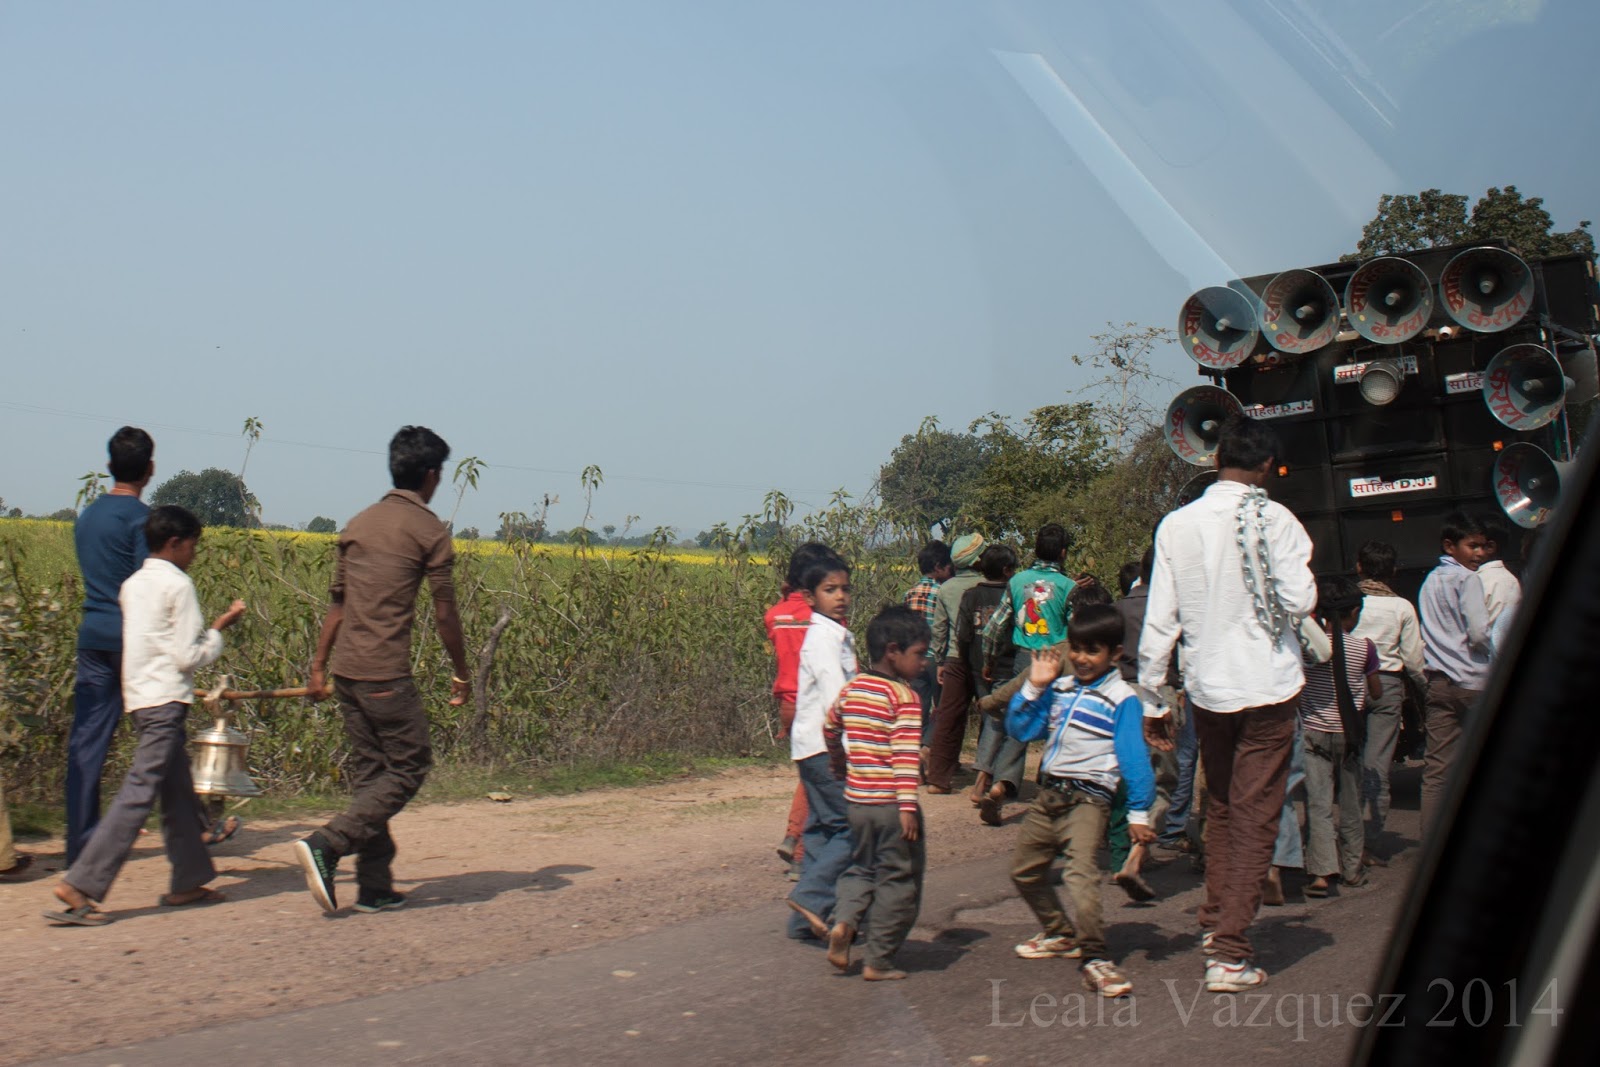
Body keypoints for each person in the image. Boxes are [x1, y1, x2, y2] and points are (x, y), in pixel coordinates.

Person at [1139, 416, 1316, 993]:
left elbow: (1161, 618)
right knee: (1255, 814)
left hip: (1208, 689)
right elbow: (1299, 599)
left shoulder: (1177, 525)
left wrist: (1152, 697)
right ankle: (1230, 952)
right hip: (1268, 686)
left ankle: (1217, 919)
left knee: (1220, 807)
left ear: (1216, 460)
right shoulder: (1279, 520)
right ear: (1266, 466)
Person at [295, 427, 472, 914]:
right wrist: (461, 671)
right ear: (431, 475)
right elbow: (445, 614)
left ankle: (374, 888)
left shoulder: (359, 523)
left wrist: (318, 668)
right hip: (385, 675)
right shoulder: (429, 531)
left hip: (348, 673)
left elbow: (337, 605)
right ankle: (328, 844)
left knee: (372, 776)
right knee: (410, 766)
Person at [45, 506, 247, 925]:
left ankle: (189, 880)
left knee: (177, 792)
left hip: (139, 698)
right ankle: (81, 883)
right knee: (139, 792)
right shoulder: (179, 585)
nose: (194, 554)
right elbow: (187, 655)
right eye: (192, 546)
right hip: (166, 701)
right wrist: (218, 631)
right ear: (175, 543)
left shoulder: (132, 585)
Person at [1005, 605, 1158, 998]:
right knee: (1024, 871)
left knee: (1080, 876)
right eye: (1076, 648)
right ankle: (1059, 932)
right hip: (1048, 796)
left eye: (1093, 650)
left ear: (1115, 653)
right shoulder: (1060, 688)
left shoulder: (1122, 698)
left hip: (1088, 800)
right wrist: (1035, 686)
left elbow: (1134, 758)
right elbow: (1020, 728)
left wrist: (1139, 812)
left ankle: (1095, 955)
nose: (1081, 658)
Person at [821, 605, 931, 980]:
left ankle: (844, 921)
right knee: (899, 880)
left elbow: (830, 727)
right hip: (891, 805)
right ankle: (878, 959)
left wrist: (839, 763)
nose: (924, 663)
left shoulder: (852, 689)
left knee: (861, 868)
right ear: (893, 651)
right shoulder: (905, 697)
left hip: (857, 802)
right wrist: (907, 806)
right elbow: (905, 756)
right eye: (919, 654)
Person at [784, 553, 857, 941]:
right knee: (852, 827)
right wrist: (852, 750)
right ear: (810, 597)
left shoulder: (834, 633)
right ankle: (811, 898)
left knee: (819, 830)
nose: (840, 596)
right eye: (830, 590)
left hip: (810, 747)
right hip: (826, 747)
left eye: (845, 589)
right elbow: (836, 700)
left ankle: (803, 922)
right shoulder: (825, 639)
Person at [1298, 577, 1379, 898]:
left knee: (1318, 804)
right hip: (1349, 735)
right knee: (1350, 803)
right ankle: (1352, 869)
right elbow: (1376, 691)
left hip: (1313, 732)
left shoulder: (1308, 650)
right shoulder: (1365, 648)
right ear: (1354, 612)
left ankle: (1321, 873)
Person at [766, 542, 840, 878]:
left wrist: (787, 596)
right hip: (816, 702)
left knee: (809, 772)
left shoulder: (775, 615)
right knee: (819, 775)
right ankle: (798, 846)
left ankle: (794, 836)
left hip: (788, 703)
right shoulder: (823, 617)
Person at [1350, 540, 1426, 861]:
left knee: (1349, 762)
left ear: (1359, 567)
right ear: (1393, 571)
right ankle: (1369, 840)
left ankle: (1346, 839)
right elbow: (1414, 660)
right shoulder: (1402, 607)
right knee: (1378, 762)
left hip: (1350, 682)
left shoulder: (1350, 601)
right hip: (1388, 684)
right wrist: (1424, 689)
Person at [1416, 512, 1491, 835]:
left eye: (1482, 546)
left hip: (1438, 683)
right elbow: (1479, 633)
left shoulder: (1430, 581)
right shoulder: (1468, 579)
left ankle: (1431, 839)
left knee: (1437, 769)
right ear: (1450, 546)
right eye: (1472, 546)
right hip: (1473, 682)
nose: (1479, 553)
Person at [958, 544, 1019, 824]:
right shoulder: (1013, 595)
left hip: (976, 664)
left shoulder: (971, 595)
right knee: (998, 722)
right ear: (1007, 570)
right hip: (1004, 666)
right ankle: (983, 777)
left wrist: (967, 662)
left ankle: (988, 775)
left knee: (991, 719)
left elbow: (963, 634)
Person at [923, 534, 986, 794]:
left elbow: (939, 629)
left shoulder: (946, 589)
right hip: (985, 660)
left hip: (954, 658)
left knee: (948, 717)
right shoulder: (989, 585)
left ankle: (938, 778)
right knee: (991, 716)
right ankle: (986, 776)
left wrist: (940, 660)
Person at [979, 523, 1076, 689]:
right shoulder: (1069, 586)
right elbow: (1077, 630)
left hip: (1024, 659)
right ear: (1063, 552)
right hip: (1057, 660)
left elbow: (993, 629)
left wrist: (989, 662)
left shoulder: (1016, 581)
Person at [903, 541, 952, 772]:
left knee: (919, 709)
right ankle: (928, 747)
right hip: (937, 657)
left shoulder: (909, 593)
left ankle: (916, 760)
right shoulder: (943, 592)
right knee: (943, 707)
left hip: (914, 659)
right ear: (939, 566)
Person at [1476, 515, 1522, 657]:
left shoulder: (1503, 581)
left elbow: (1490, 636)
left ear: (1490, 547)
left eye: (1473, 545)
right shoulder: (1475, 578)